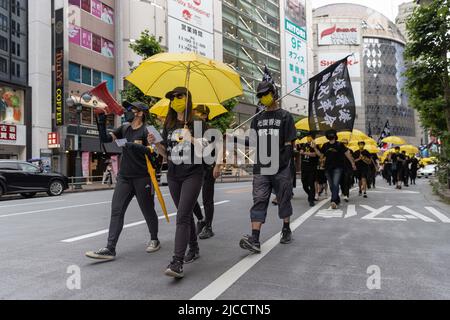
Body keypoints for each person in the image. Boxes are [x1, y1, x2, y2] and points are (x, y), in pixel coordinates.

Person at [150, 87, 219, 279]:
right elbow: (166, 154)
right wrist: (156, 144)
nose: (175, 99)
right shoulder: (170, 122)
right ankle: (194, 248)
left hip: (193, 173)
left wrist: (192, 139)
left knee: (181, 215)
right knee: (186, 214)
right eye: (172, 97)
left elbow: (208, 150)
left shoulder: (197, 122)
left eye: (179, 96)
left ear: (188, 98)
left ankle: (177, 262)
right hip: (173, 174)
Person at [86, 102, 161, 261]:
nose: (127, 112)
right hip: (125, 177)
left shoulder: (150, 129)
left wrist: (134, 146)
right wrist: (101, 120)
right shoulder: (124, 128)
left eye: (130, 110)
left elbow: (156, 153)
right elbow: (106, 139)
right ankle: (110, 248)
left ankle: (154, 239)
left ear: (140, 113)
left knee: (147, 209)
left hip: (143, 176)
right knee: (116, 210)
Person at [237, 81, 297, 254]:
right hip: (261, 168)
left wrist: (282, 164)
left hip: (281, 167)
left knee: (283, 198)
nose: (263, 98)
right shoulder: (257, 118)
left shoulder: (285, 116)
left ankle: (286, 228)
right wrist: (234, 139)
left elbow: (288, 144)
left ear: (274, 93)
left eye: (266, 94)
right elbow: (253, 142)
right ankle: (255, 239)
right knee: (259, 200)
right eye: (260, 96)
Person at [192, 105, 222, 240]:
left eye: (198, 113)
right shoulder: (191, 129)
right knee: (189, 197)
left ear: (205, 115)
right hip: (193, 167)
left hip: (209, 167)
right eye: (194, 113)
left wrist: (218, 166)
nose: (195, 115)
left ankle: (208, 226)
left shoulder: (211, 130)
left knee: (207, 198)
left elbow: (220, 148)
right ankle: (200, 219)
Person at [311, 129, 356, 209]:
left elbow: (347, 154)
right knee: (331, 186)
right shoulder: (325, 145)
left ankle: (333, 201)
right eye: (328, 134)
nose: (330, 136)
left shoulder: (340, 145)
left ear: (335, 136)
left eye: (331, 134)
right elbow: (321, 155)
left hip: (338, 168)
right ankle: (337, 199)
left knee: (335, 184)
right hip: (328, 168)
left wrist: (352, 163)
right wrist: (314, 148)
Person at [298, 135, 319, 207]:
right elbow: (300, 152)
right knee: (304, 184)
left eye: (310, 137)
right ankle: (311, 195)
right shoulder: (304, 144)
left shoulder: (315, 145)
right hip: (304, 168)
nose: (309, 138)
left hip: (312, 168)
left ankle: (311, 200)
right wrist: (301, 152)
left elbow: (315, 155)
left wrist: (304, 153)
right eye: (308, 137)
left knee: (311, 183)